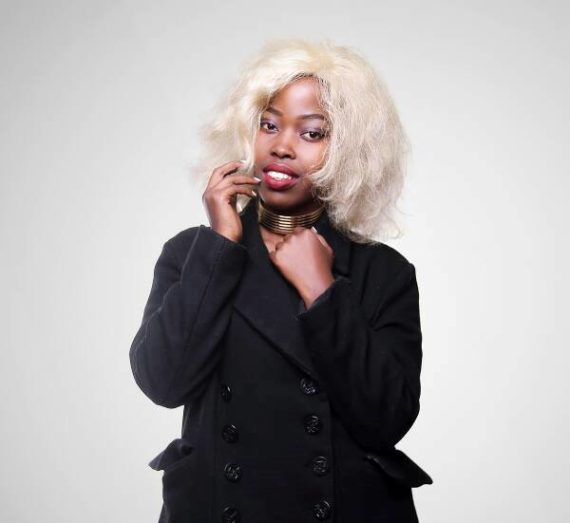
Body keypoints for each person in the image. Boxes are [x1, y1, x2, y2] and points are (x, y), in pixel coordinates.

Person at [129, 38, 432, 523]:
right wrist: (221, 246)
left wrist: (323, 292)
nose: (281, 146)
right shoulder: (192, 255)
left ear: (349, 150)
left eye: (312, 133)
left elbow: (386, 420)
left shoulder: (383, 272)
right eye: (269, 124)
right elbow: (162, 382)